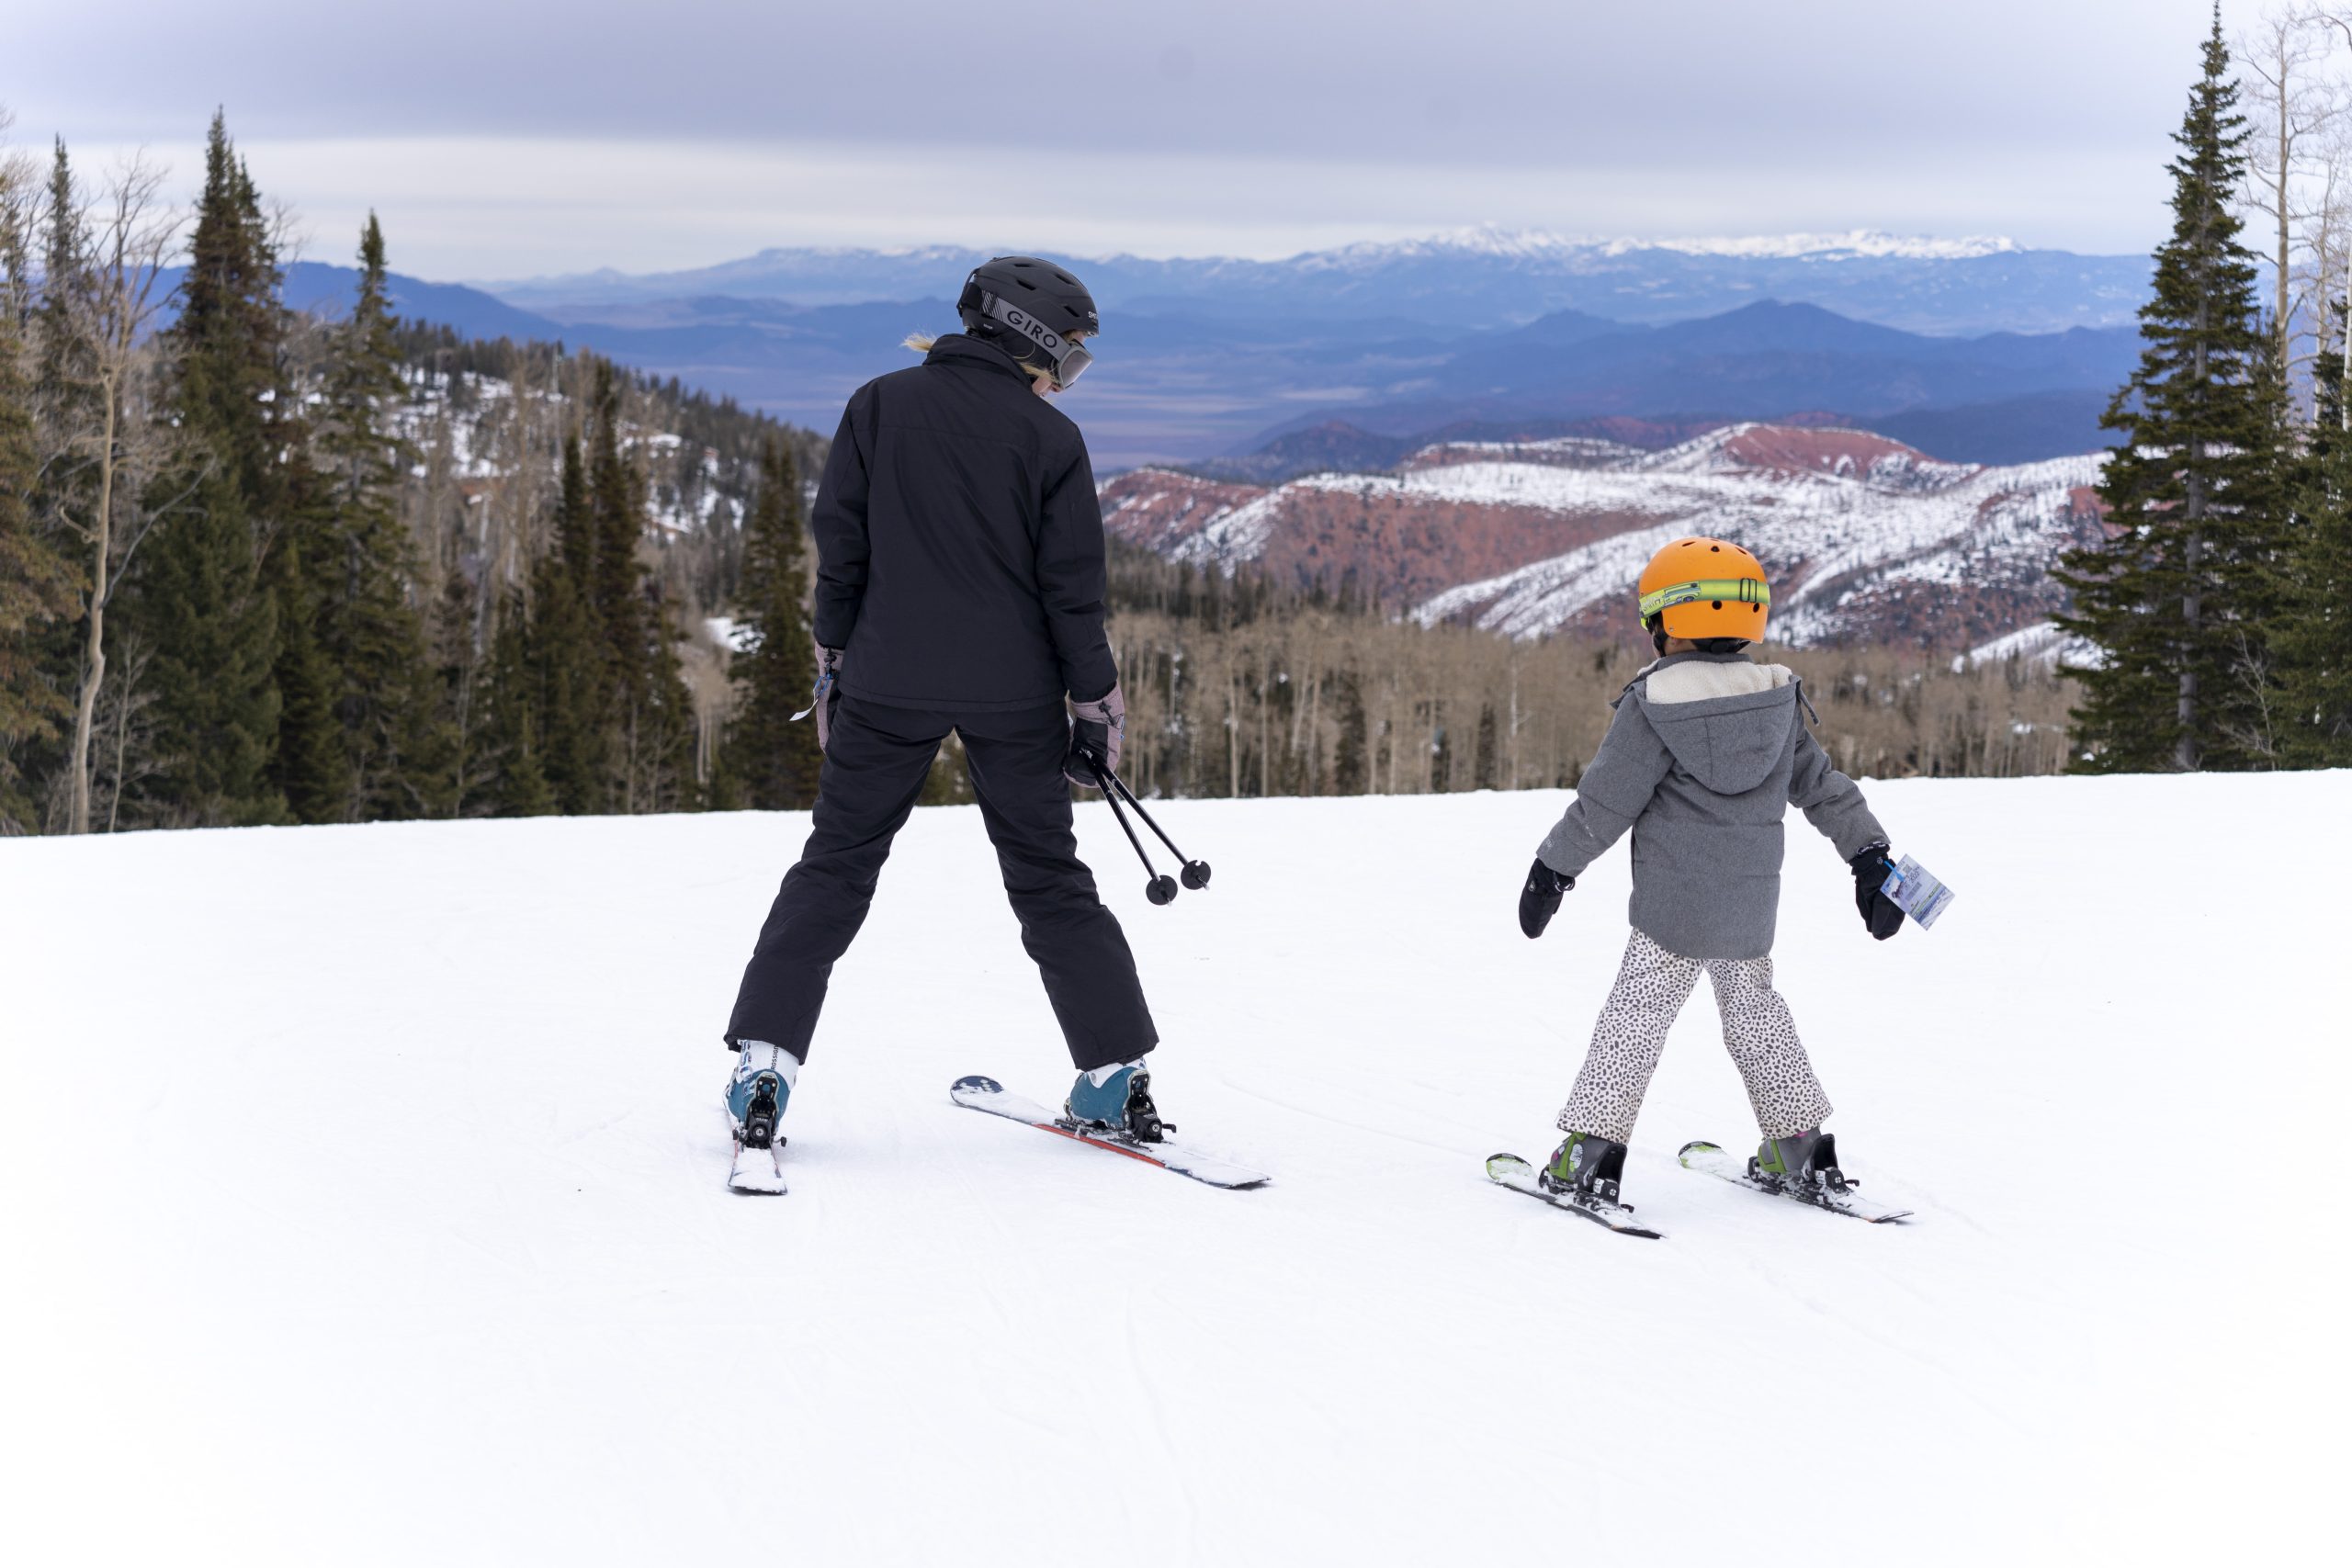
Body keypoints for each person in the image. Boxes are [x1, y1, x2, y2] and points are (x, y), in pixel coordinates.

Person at [721, 255, 1163, 1161]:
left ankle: (764, 1068)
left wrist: (831, 660)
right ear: (1030, 339)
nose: (1064, 377)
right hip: (1015, 698)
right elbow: (1072, 595)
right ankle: (1114, 1078)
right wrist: (1093, 704)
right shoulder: (1049, 441)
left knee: (835, 866)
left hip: (885, 682)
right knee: (1048, 877)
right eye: (1068, 357)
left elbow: (839, 549)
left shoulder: (877, 406)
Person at [1514, 536, 1905, 1203]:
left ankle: (1590, 1153)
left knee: (1634, 1021)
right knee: (1757, 1016)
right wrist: (1872, 859)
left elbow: (1605, 802)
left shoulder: (1654, 704)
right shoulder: (1776, 700)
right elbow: (1824, 787)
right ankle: (1801, 1147)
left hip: (1672, 908)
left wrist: (1553, 869)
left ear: (1669, 622)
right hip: (1750, 907)